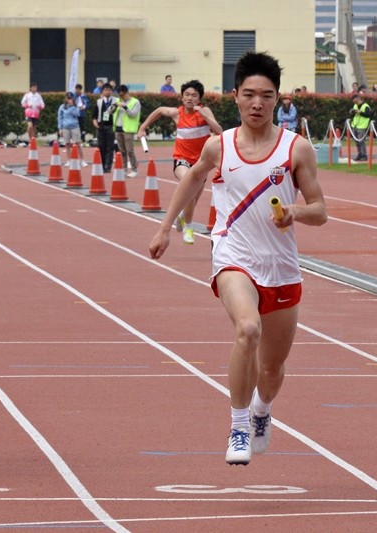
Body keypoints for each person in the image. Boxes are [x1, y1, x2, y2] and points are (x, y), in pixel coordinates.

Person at [149, 51, 327, 466]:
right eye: (249, 95)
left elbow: (320, 209)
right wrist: (164, 229)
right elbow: (191, 181)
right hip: (233, 254)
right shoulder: (218, 146)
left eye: (266, 96)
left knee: (272, 368)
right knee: (247, 330)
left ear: (278, 99)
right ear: (235, 97)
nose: (257, 104)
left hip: (280, 265)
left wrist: (295, 212)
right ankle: (239, 425)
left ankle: (263, 410)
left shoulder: (295, 150)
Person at [137, 79, 223, 245]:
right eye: (187, 95)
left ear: (199, 98)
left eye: (194, 95)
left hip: (201, 163)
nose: (190, 98)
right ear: (182, 97)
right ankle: (189, 227)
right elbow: (160, 110)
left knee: (192, 197)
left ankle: (183, 217)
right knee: (188, 182)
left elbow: (219, 131)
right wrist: (143, 127)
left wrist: (206, 116)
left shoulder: (205, 112)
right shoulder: (178, 113)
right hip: (181, 160)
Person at [114, 84, 141, 178]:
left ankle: (134, 169)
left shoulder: (135, 102)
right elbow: (109, 112)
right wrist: (114, 106)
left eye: (123, 95)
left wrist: (125, 107)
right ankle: (124, 169)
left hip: (128, 130)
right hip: (118, 128)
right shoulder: (118, 101)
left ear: (127, 93)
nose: (121, 97)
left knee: (130, 150)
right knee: (122, 151)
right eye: (119, 95)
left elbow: (133, 114)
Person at [92, 83, 117, 173]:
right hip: (101, 127)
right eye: (106, 90)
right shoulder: (99, 102)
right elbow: (94, 115)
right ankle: (102, 165)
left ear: (112, 91)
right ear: (102, 91)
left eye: (109, 90)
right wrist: (96, 124)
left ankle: (108, 166)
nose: (107, 92)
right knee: (101, 147)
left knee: (110, 147)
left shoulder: (116, 101)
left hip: (111, 126)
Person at [58, 92, 87, 166]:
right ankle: (69, 160)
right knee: (67, 144)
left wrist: (72, 107)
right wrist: (60, 128)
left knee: (78, 143)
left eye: (70, 98)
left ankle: (82, 160)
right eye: (68, 98)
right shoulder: (62, 107)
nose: (69, 100)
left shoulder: (75, 106)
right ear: (66, 99)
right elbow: (60, 118)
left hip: (75, 126)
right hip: (65, 127)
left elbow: (77, 114)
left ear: (73, 99)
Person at [349, 93, 371, 161]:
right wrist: (352, 112)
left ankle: (364, 155)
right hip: (355, 125)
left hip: (362, 126)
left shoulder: (365, 106)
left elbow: (368, 115)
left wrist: (360, 112)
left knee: (361, 141)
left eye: (354, 98)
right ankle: (359, 154)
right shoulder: (355, 105)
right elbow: (352, 115)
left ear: (358, 98)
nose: (353, 100)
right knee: (357, 142)